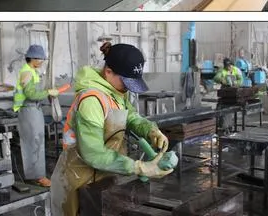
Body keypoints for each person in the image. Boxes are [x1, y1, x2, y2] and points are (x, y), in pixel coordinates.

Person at [51, 43, 173, 216]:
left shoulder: (115, 91)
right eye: (126, 82)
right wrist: (139, 167)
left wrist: (151, 130)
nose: (128, 88)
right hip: (80, 178)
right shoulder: (92, 99)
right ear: (108, 72)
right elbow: (93, 154)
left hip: (105, 172)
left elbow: (130, 116)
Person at [14, 45, 60, 187]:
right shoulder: (26, 72)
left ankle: (36, 174)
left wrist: (47, 91)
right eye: (40, 58)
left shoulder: (33, 71)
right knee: (34, 143)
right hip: (28, 110)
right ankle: (38, 176)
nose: (41, 61)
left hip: (34, 109)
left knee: (37, 142)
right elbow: (31, 94)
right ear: (32, 58)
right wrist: (48, 93)